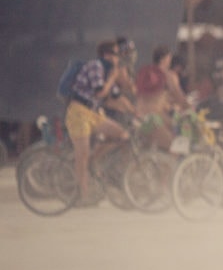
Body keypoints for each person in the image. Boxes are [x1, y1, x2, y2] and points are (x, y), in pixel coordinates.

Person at [64, 41, 131, 203]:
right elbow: (100, 91)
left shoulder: (107, 71)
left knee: (123, 135)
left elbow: (115, 97)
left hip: (93, 113)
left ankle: (96, 159)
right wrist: (113, 77)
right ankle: (82, 195)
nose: (118, 58)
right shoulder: (95, 66)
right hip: (79, 112)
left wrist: (134, 112)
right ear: (106, 55)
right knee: (82, 154)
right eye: (115, 54)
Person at [135, 45, 191, 151]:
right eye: (169, 58)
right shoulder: (168, 75)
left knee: (170, 128)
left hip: (139, 117)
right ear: (165, 58)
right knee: (176, 147)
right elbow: (179, 96)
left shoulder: (145, 72)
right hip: (153, 119)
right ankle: (174, 166)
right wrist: (191, 109)